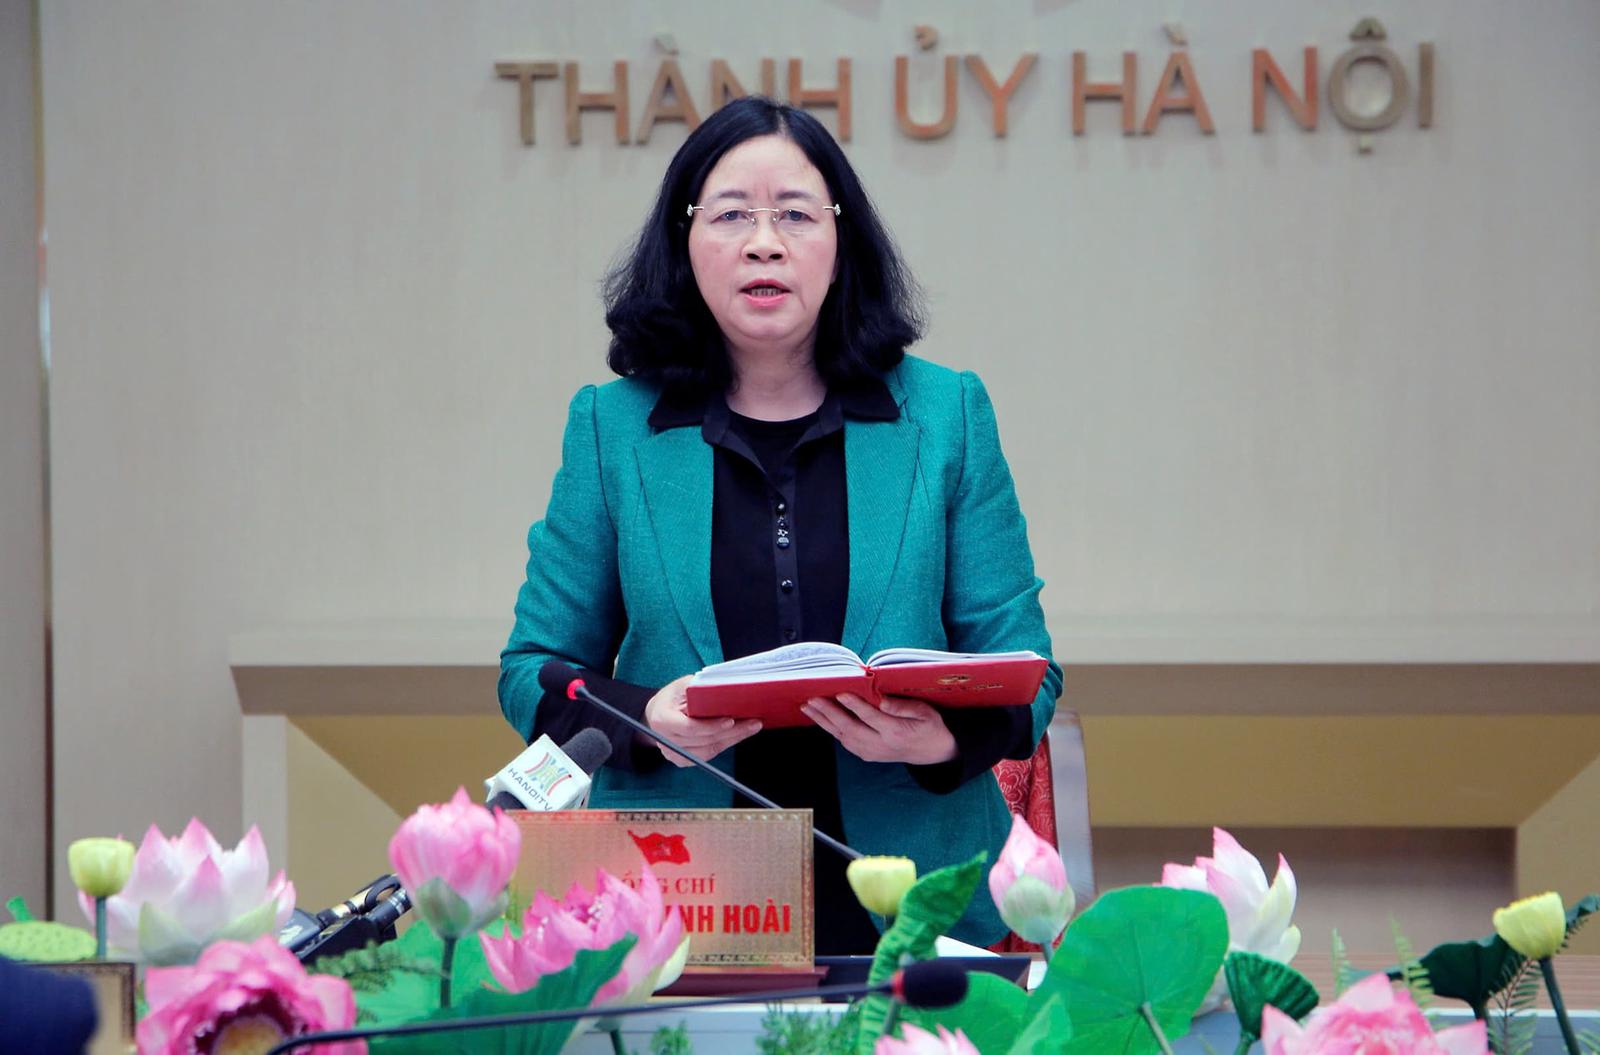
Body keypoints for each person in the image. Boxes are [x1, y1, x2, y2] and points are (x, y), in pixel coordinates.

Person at [499, 96, 1061, 951]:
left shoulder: (946, 414)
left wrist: (938, 738)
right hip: (681, 904)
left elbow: (1029, 671)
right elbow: (532, 669)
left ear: (841, 241)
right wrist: (648, 718)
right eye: (731, 215)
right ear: (685, 242)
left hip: (918, 898)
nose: (764, 242)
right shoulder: (612, 428)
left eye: (795, 214)